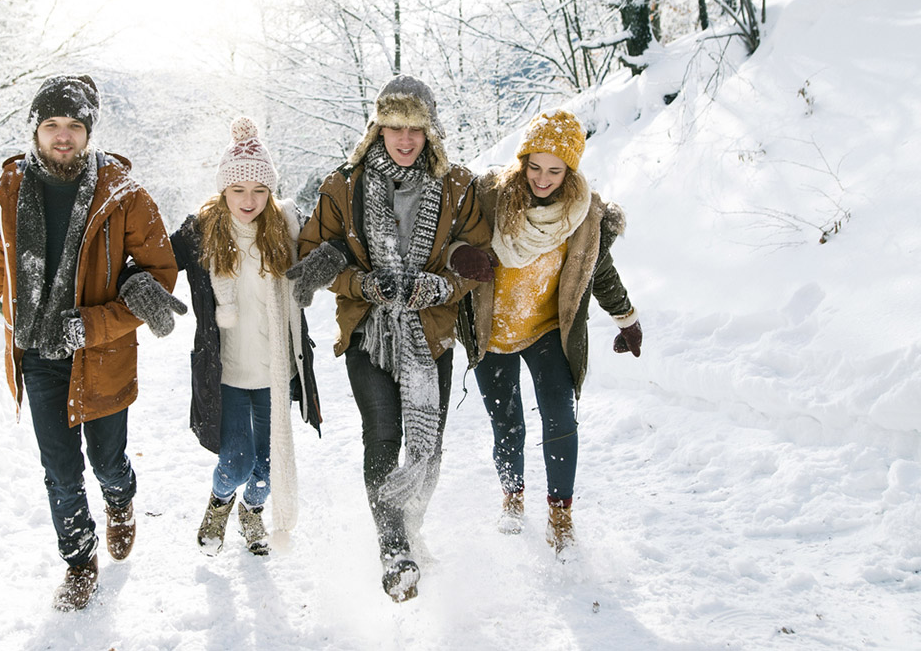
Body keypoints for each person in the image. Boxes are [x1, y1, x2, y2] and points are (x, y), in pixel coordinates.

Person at [0, 75, 185, 611]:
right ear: (36, 130)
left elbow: (161, 275)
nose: (63, 137)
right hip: (38, 352)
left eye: (74, 127)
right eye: (52, 126)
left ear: (89, 132)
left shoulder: (123, 194)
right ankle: (80, 561)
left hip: (101, 351)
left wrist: (93, 325)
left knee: (107, 462)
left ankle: (121, 501)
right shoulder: (7, 192)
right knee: (60, 470)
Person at [290, 75, 491, 602]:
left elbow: (477, 254)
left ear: (430, 132)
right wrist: (360, 282)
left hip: (431, 332)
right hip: (368, 330)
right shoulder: (345, 184)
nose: (404, 139)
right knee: (381, 433)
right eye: (393, 127)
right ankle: (393, 546)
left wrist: (442, 283)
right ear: (378, 127)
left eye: (415, 129)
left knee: (427, 447)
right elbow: (317, 252)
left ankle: (409, 524)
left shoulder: (459, 186)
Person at [450, 109, 642, 557]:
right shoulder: (490, 199)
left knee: (560, 417)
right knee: (507, 423)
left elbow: (601, 270)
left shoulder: (583, 215)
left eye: (555, 170)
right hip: (491, 331)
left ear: (570, 170)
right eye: (534, 167)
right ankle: (513, 497)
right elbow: (450, 240)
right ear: (522, 161)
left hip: (547, 331)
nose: (542, 178)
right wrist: (461, 255)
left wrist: (627, 319)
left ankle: (560, 514)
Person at [168, 117, 322, 557]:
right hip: (229, 372)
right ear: (223, 191)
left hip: (276, 370)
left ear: (270, 192)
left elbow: (331, 244)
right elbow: (154, 260)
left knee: (267, 470)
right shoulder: (200, 232)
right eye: (238, 190)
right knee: (235, 463)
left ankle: (252, 514)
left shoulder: (287, 229)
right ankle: (220, 501)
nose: (248, 200)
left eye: (259, 190)